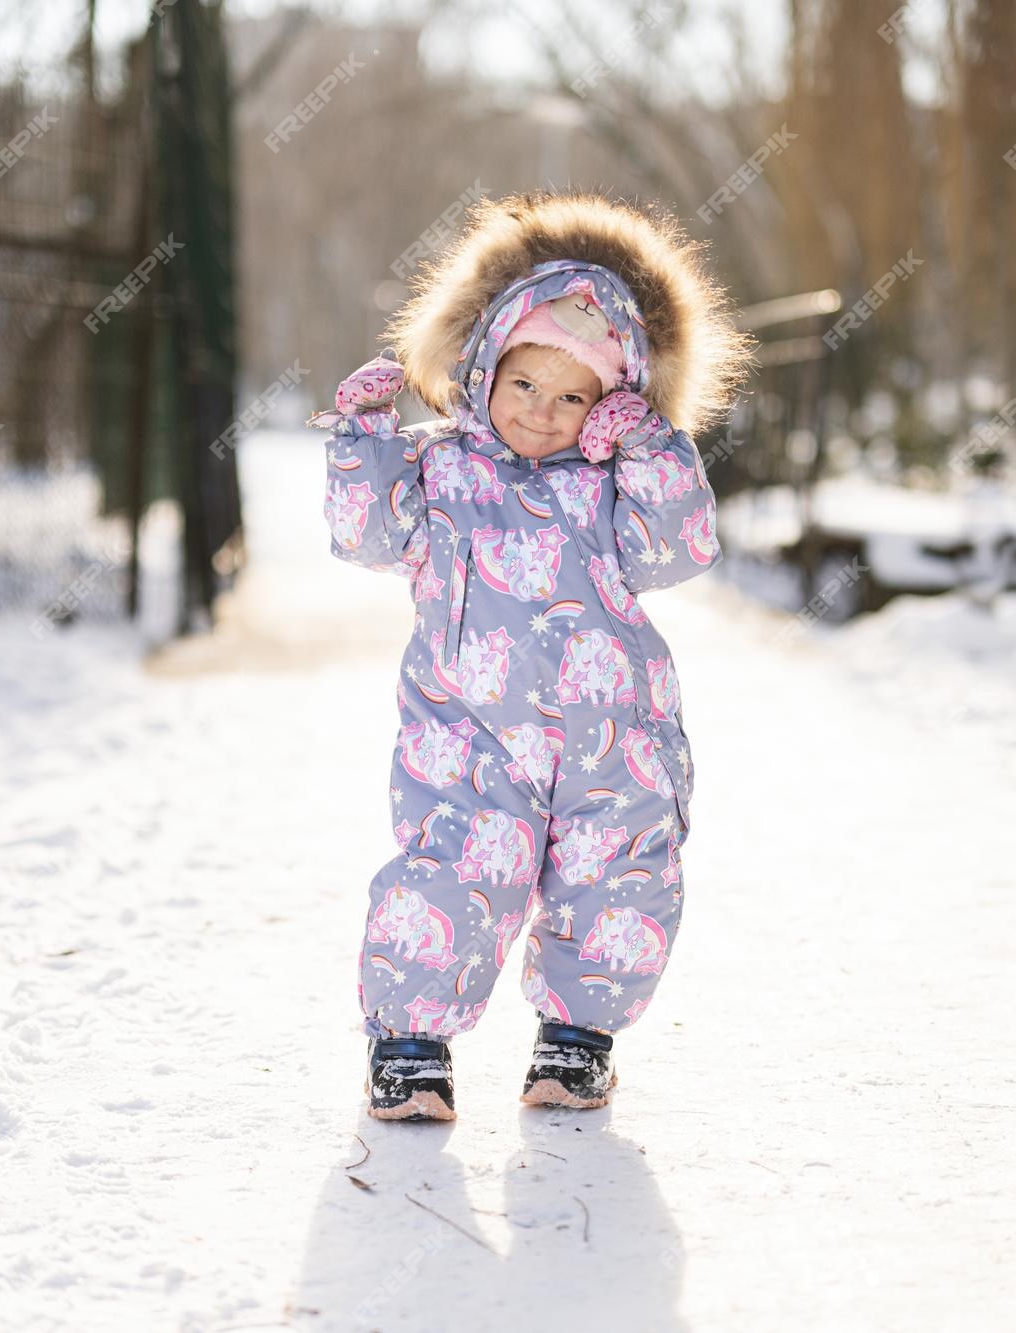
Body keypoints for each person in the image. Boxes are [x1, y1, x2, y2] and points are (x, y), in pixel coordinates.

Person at [312, 190, 754, 1120]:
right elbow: (364, 536)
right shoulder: (440, 470)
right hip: (468, 739)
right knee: (449, 875)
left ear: (611, 402)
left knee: (618, 878)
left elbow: (683, 547)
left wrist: (649, 450)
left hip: (611, 742)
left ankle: (576, 1043)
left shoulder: (613, 484)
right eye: (524, 385)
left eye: (573, 396)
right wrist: (364, 443)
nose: (543, 414)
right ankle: (407, 1047)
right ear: (483, 368)